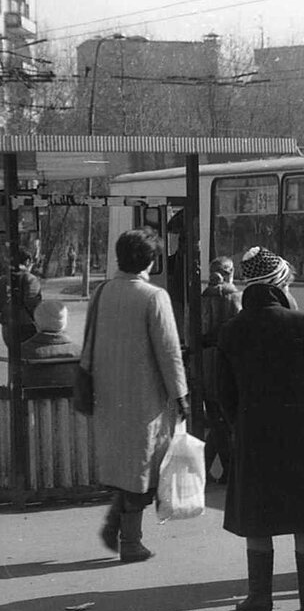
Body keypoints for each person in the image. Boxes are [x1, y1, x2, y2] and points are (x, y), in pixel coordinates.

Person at [217, 247, 304, 611]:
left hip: (255, 435)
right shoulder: (298, 323)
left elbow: (223, 393)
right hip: (303, 436)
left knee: (258, 517)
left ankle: (259, 598)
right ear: (278, 284)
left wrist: (240, 424)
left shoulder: (232, 330)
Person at [88, 228, 189, 563]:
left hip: (108, 393)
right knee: (143, 469)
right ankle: (130, 541)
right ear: (150, 260)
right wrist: (181, 394)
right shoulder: (153, 296)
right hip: (145, 399)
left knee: (125, 466)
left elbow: (88, 346)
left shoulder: (102, 292)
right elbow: (169, 351)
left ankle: (116, 525)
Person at [200, 256, 242, 484]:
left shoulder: (201, 298)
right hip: (227, 361)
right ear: (230, 272)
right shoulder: (235, 296)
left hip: (206, 362)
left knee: (216, 418)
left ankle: (207, 468)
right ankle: (229, 469)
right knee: (225, 419)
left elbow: (192, 329)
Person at [2, 247, 43, 351]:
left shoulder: (3, 280)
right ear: (27, 261)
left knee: (13, 356)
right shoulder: (31, 279)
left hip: (7, 326)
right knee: (27, 358)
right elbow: (33, 304)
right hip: (26, 326)